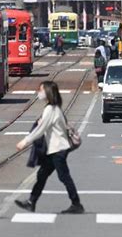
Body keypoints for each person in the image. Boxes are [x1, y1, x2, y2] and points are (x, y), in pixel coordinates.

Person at [15, 81, 84, 215]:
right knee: (42, 175)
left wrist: (25, 141)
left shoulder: (51, 109)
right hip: (55, 149)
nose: (38, 93)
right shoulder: (53, 108)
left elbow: (41, 130)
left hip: (58, 149)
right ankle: (31, 202)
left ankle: (76, 204)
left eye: (40, 90)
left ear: (47, 92)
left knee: (64, 176)